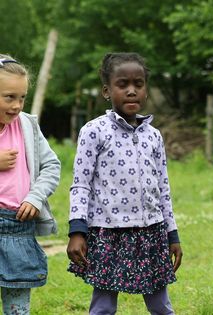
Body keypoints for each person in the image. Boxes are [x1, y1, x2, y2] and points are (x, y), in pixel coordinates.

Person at [66, 52, 183, 315]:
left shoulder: (154, 136)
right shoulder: (94, 131)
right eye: (123, 84)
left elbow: (163, 188)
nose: (131, 91)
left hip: (150, 231)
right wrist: (77, 230)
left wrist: (171, 234)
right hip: (108, 232)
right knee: (103, 306)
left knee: (161, 305)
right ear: (107, 91)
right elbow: (81, 184)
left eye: (138, 84)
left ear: (146, 89)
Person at [0, 54, 61, 314]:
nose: (16, 105)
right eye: (9, 97)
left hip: (17, 226)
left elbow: (52, 166)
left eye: (22, 97)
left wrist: (35, 197)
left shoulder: (27, 126)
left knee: (18, 306)